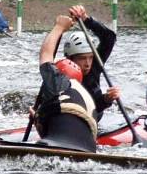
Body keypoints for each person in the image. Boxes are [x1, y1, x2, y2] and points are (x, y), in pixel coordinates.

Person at [32, 12, 98, 152]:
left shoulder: (60, 84)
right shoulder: (86, 97)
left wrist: (59, 27)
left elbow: (45, 55)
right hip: (88, 150)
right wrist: (38, 117)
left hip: (60, 145)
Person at [62, 5, 119, 122]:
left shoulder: (95, 64)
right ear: (70, 59)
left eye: (90, 57)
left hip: (94, 116)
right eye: (82, 58)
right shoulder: (62, 74)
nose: (87, 64)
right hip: (72, 118)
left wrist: (86, 19)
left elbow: (109, 37)